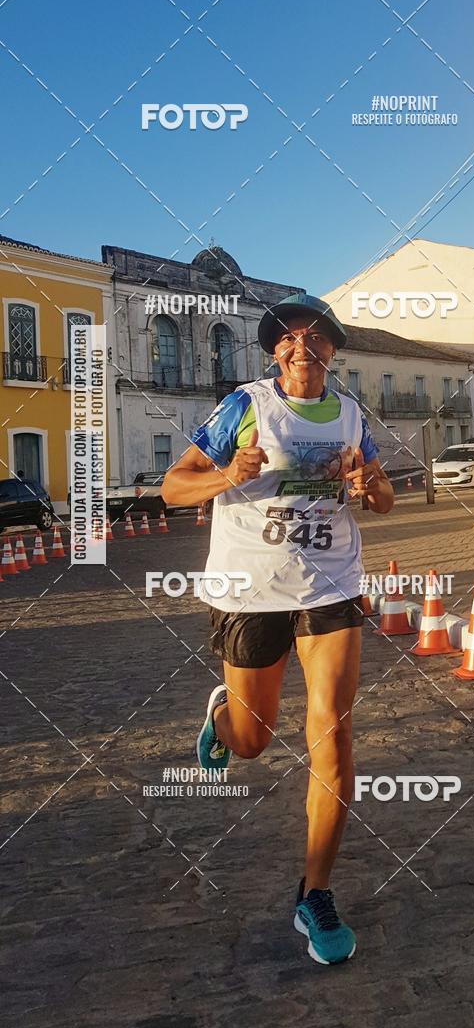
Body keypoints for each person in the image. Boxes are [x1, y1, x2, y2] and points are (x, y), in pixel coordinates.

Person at [162, 293, 394, 964]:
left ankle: (314, 893)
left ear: (330, 348)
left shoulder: (351, 415)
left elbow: (382, 498)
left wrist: (365, 481)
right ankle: (224, 714)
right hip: (250, 590)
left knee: (333, 730)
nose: (302, 345)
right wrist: (227, 475)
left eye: (314, 335)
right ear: (275, 351)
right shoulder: (243, 405)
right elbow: (174, 486)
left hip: (331, 586)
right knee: (254, 741)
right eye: (289, 337)